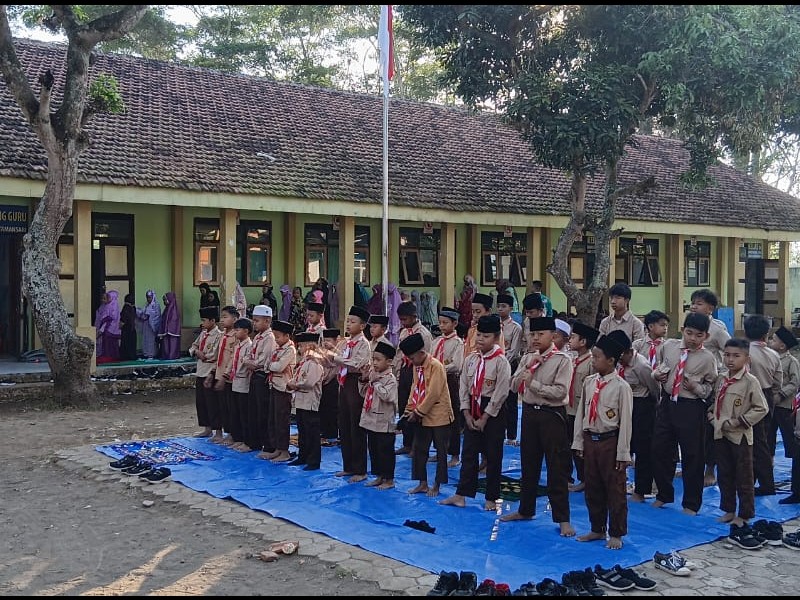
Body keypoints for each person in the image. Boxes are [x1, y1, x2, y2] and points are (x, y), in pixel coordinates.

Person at [501, 316, 575, 537]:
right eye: (532, 334)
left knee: (556, 467)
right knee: (528, 464)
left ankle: (563, 518)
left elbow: (560, 392)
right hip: (530, 414)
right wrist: (526, 370)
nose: (535, 338)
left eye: (540, 334)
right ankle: (525, 509)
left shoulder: (562, 360)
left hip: (552, 415)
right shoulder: (528, 358)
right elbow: (513, 385)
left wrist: (533, 383)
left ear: (552, 336)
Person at [440, 314, 511, 511]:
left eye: (486, 336)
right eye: (478, 334)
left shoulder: (501, 362)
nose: (480, 339)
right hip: (472, 407)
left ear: (496, 338)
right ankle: (461, 494)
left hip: (493, 412)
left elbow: (501, 392)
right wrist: (466, 412)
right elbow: (464, 385)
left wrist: (486, 416)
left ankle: (491, 497)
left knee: (493, 455)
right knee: (469, 453)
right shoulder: (471, 359)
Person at [651, 312, 718, 515]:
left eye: (699, 335)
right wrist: (657, 375)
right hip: (667, 403)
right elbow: (661, 367)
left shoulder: (708, 359)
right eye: (689, 333)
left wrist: (697, 388)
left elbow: (711, 388)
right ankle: (664, 494)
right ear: (682, 330)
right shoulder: (669, 346)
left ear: (706, 336)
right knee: (660, 449)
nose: (693, 339)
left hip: (691, 407)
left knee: (692, 455)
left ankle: (691, 503)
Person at [572, 333, 633, 550]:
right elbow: (581, 414)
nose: (593, 361)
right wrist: (578, 442)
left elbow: (626, 422)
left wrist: (623, 453)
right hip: (591, 440)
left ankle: (616, 532)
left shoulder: (621, 387)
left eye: (597, 357)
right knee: (593, 487)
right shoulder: (590, 383)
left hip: (610, 442)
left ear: (611, 360)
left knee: (615, 489)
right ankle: (597, 528)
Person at [708, 338, 768, 547]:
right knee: (724, 474)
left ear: (746, 359)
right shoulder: (722, 378)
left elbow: (761, 408)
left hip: (740, 436)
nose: (730, 360)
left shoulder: (750, 381)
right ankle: (728, 509)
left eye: (736, 356)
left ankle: (744, 514)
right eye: (727, 355)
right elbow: (716, 401)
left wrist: (739, 421)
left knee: (743, 476)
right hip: (720, 433)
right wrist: (712, 416)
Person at [607, 330, 660, 503]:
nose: (618, 360)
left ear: (629, 351)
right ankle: (620, 483)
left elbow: (654, 389)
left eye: (620, 355)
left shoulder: (641, 366)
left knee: (643, 449)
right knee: (623, 445)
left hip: (641, 406)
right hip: (623, 404)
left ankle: (641, 490)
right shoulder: (619, 364)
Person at [401, 332, 454, 497]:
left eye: (412, 357)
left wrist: (418, 412)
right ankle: (422, 483)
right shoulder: (416, 367)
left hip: (438, 414)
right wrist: (408, 410)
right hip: (422, 415)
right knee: (419, 449)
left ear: (421, 353)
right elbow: (415, 388)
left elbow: (433, 394)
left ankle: (437, 485)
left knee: (441, 452)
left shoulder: (436, 366)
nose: (411, 361)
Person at [690, 289, 731, 488]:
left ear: (710, 308)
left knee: (709, 428)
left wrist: (724, 374)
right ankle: (693, 466)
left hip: (711, 384)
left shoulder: (717, 329)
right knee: (692, 427)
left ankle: (710, 468)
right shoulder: (689, 324)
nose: (693, 306)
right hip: (690, 384)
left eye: (699, 303)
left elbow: (731, 350)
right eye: (692, 303)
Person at [744, 314, 783, 497]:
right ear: (766, 334)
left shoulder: (743, 352)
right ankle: (758, 481)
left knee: (752, 442)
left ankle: (762, 483)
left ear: (745, 332)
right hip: (766, 395)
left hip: (747, 396)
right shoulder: (774, 355)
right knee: (762, 439)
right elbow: (778, 382)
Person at [333, 306, 372, 483]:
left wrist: (336, 358)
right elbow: (336, 359)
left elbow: (357, 364)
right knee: (344, 425)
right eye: (348, 321)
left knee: (356, 427)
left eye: (352, 322)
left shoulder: (363, 344)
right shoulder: (345, 342)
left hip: (355, 384)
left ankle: (360, 469)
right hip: (343, 383)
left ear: (362, 326)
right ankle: (347, 465)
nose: (348, 324)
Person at [394, 301, 434, 455]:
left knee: (417, 407)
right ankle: (407, 443)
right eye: (401, 319)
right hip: (405, 371)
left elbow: (426, 356)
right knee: (404, 405)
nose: (402, 323)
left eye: (405, 319)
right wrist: (398, 373)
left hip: (418, 371)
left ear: (414, 317)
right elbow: (399, 355)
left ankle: (418, 445)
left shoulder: (424, 334)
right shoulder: (404, 332)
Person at [360, 341, 399, 490]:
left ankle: (389, 479)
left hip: (384, 422)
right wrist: (363, 380)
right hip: (370, 419)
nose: (374, 363)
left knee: (385, 451)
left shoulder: (390, 379)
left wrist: (376, 383)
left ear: (389, 362)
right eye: (373, 359)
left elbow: (387, 396)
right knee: (374, 449)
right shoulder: (373, 375)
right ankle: (379, 476)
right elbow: (363, 393)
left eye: (378, 360)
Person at [566, 321, 599, 493]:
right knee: (571, 445)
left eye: (573, 337)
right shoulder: (573, 360)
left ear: (583, 342)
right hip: (569, 409)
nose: (570, 340)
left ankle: (586, 479)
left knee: (582, 447)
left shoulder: (591, 364)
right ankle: (576, 476)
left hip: (583, 410)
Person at [287, 332, 325, 471]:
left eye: (301, 346)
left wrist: (295, 385)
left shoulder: (315, 364)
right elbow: (297, 377)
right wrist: (291, 383)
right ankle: (303, 456)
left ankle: (313, 461)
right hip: (300, 401)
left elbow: (309, 383)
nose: (299, 349)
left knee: (311, 432)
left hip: (310, 402)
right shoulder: (304, 362)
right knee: (302, 431)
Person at [433, 307, 465, 468]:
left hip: (450, 381)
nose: (442, 326)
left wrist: (439, 369)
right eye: (440, 323)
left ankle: (454, 454)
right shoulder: (436, 341)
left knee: (453, 417)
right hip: (435, 381)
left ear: (455, 324)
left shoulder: (458, 343)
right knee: (436, 416)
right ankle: (440, 450)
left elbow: (457, 365)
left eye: (445, 323)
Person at [243, 305, 275, 457]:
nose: (254, 324)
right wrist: (250, 362)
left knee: (263, 412)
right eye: (253, 320)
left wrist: (250, 362)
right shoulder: (257, 337)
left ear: (267, 321)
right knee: (253, 411)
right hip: (254, 375)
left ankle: (268, 445)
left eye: (257, 321)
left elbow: (262, 362)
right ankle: (254, 442)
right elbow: (248, 356)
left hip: (263, 376)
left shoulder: (270, 338)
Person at [264, 320, 297, 463]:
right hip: (274, 385)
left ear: (287, 336)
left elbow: (279, 367)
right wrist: (271, 365)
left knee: (282, 420)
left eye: (278, 337)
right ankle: (276, 448)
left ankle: (284, 450)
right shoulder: (277, 349)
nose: (275, 339)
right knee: (273, 419)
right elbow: (267, 364)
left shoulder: (290, 350)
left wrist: (270, 365)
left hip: (284, 388)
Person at [188, 306, 222, 438]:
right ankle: (207, 428)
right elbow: (193, 346)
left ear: (212, 321)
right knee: (201, 402)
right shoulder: (203, 333)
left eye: (204, 320)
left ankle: (217, 430)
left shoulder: (218, 335)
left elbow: (214, 354)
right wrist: (196, 352)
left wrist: (203, 355)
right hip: (200, 370)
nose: (202, 323)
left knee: (212, 402)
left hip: (210, 371)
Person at [770, 326, 800, 467]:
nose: (770, 342)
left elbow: (795, 382)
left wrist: (781, 394)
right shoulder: (770, 358)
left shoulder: (791, 362)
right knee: (769, 436)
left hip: (785, 406)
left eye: (773, 340)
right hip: (770, 405)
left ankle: (796, 467)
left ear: (782, 346)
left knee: (789, 436)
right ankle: (769, 464)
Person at [497, 293, 523, 446]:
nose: (500, 309)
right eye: (498, 306)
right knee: (497, 399)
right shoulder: (494, 325)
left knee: (511, 401)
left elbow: (514, 350)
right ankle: (498, 431)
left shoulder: (516, 328)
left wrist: (501, 363)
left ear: (511, 308)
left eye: (504, 306)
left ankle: (511, 435)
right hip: (495, 366)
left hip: (509, 365)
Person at [212, 306, 239, 445]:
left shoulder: (236, 336)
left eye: (225, 317)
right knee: (220, 406)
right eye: (221, 317)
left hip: (229, 378)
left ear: (234, 319)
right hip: (219, 373)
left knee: (231, 407)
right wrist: (213, 373)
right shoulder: (222, 335)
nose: (222, 320)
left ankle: (231, 434)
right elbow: (218, 356)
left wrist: (224, 376)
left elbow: (233, 358)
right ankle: (220, 432)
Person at [228, 317, 254, 452]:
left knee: (245, 414)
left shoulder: (249, 346)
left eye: (237, 330)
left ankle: (246, 440)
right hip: (235, 381)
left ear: (246, 331)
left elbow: (248, 364)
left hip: (244, 382)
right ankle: (237, 438)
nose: (235, 333)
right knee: (236, 412)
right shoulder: (238, 345)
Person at [319, 328, 343, 447]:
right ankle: (324, 430)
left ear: (336, 340)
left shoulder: (339, 352)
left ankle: (332, 432)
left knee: (332, 407)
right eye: (324, 340)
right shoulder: (323, 351)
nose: (326, 343)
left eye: (328, 340)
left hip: (334, 381)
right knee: (323, 406)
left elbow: (336, 368)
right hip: (323, 381)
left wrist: (329, 378)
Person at [94, 290, 121, 363]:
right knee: (107, 342)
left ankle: (110, 357)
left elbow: (113, 316)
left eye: (108, 297)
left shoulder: (114, 305)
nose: (106, 299)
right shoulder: (107, 305)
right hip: (107, 327)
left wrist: (105, 321)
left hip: (111, 326)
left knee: (110, 343)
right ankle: (108, 356)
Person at [137, 289, 161, 359]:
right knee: (145, 339)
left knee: (151, 340)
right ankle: (146, 353)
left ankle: (152, 354)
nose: (148, 299)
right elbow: (144, 314)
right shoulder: (146, 305)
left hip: (152, 326)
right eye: (147, 297)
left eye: (149, 297)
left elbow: (156, 316)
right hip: (146, 325)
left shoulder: (156, 305)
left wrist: (146, 315)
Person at [158, 291, 182, 360]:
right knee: (166, 345)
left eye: (165, 300)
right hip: (166, 332)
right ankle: (166, 355)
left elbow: (173, 321)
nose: (164, 302)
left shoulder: (174, 310)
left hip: (172, 332)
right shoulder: (167, 309)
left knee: (172, 344)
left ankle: (172, 356)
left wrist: (168, 329)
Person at [119, 292, 138, 361]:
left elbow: (124, 319)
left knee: (126, 343)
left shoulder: (126, 308)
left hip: (126, 329)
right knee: (132, 344)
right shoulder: (133, 308)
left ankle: (125, 357)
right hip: (132, 329)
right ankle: (132, 356)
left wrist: (120, 326)